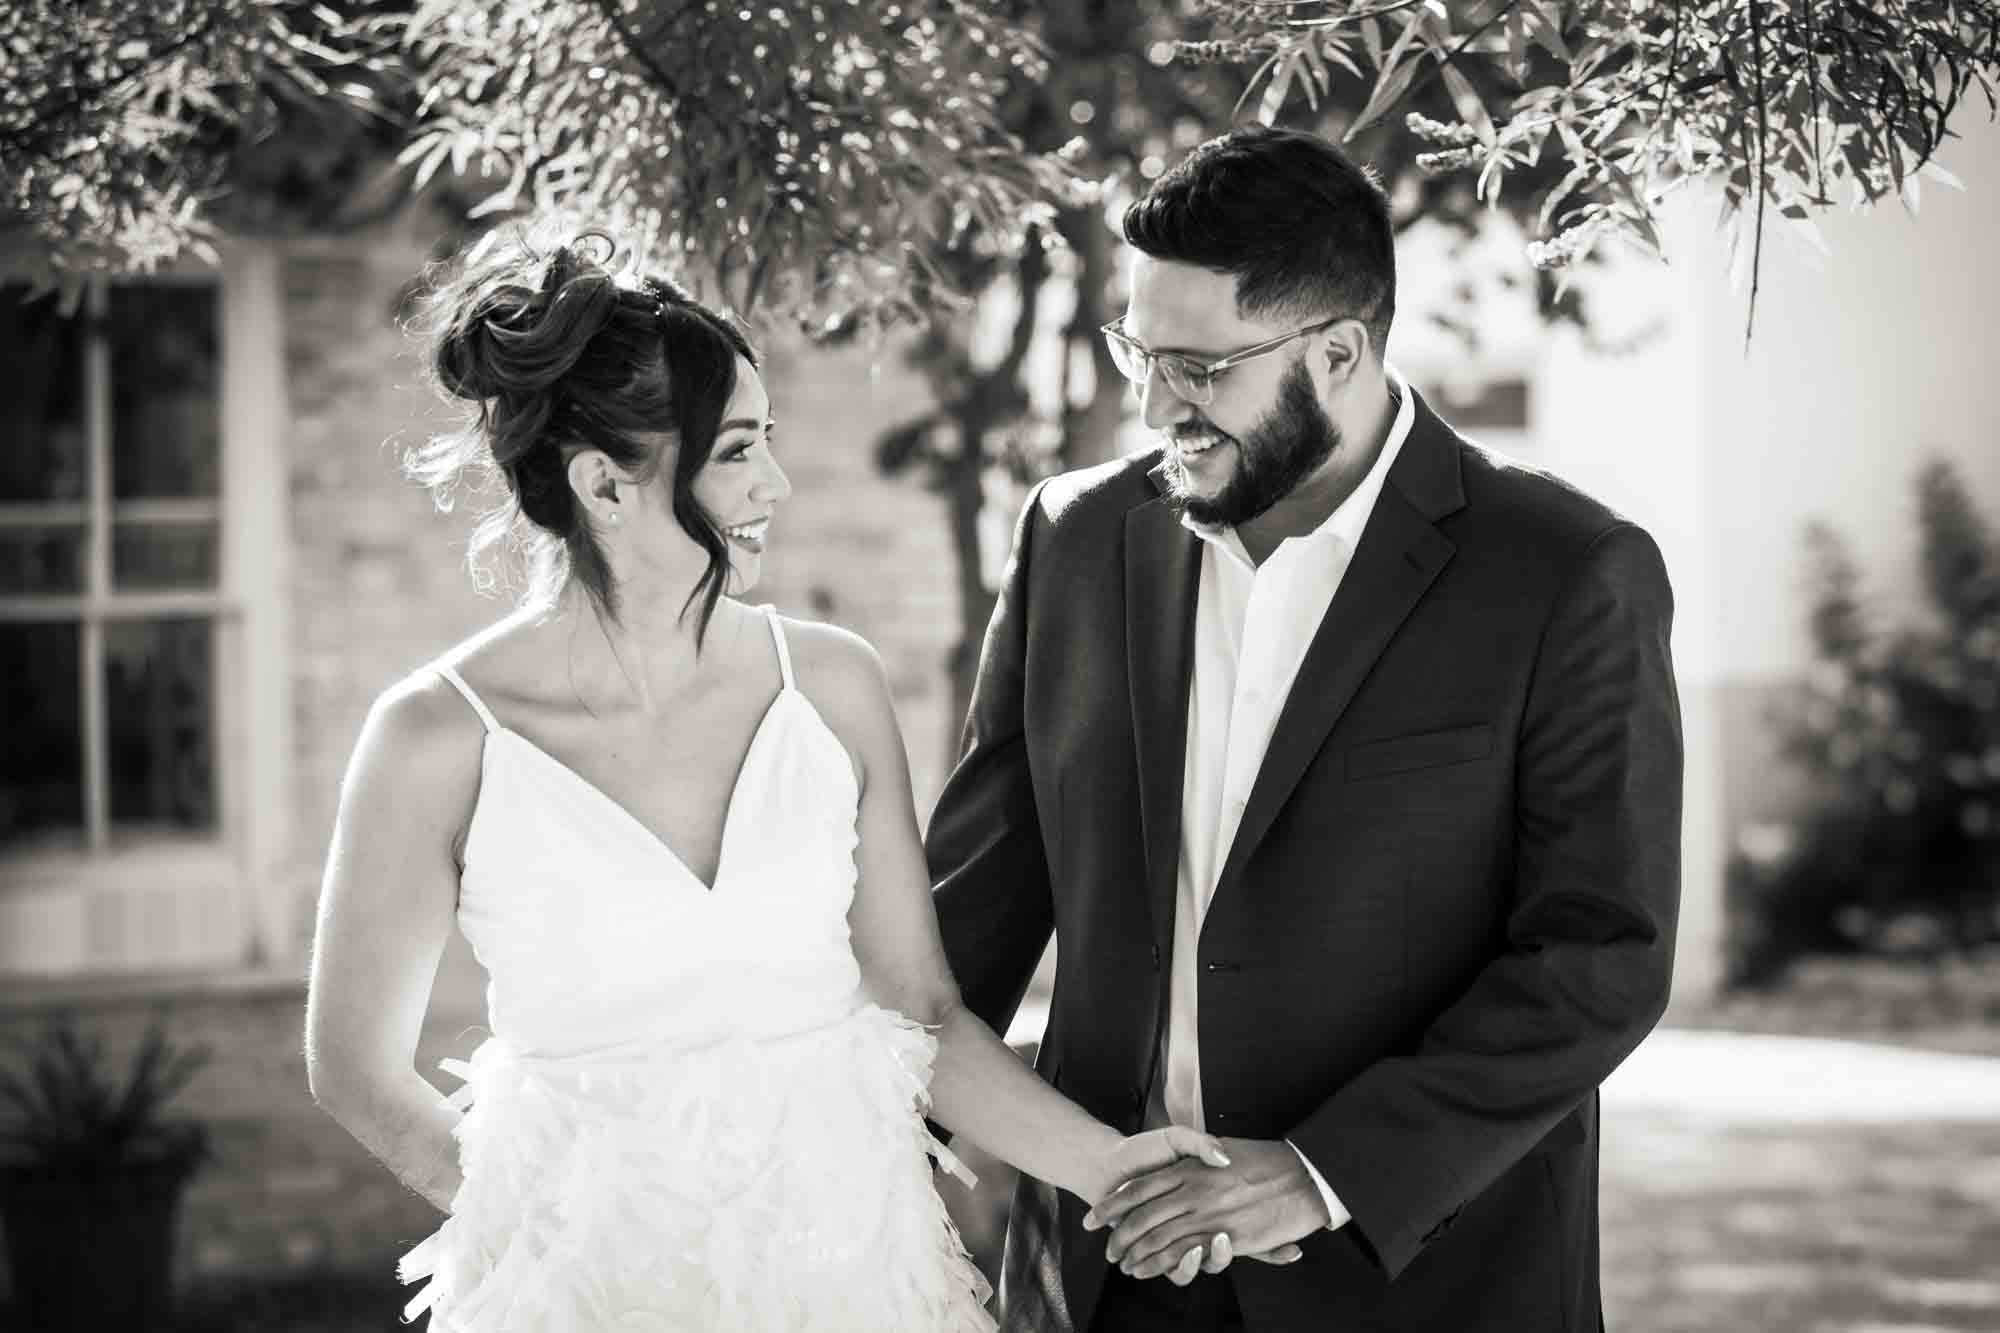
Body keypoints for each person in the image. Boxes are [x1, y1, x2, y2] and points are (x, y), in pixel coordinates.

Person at [302, 228, 1233, 1332]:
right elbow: (353, 1066)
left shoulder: (831, 686)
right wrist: (555, 1238)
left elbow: (924, 1012)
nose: (776, 483)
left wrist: (1114, 1169)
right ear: (603, 482)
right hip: (587, 1298)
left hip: (851, 1277)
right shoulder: (433, 738)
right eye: (738, 449)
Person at [927, 124, 1684, 1332]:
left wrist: (1325, 1172)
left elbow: (1600, 953)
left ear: (1336, 349)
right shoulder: (1071, 539)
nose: (1155, 399)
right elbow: (962, 924)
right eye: (1140, 351)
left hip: (1419, 1280)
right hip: (1107, 1280)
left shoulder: (1561, 571)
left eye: (1198, 366)